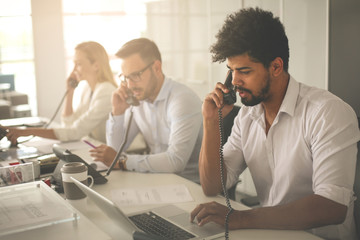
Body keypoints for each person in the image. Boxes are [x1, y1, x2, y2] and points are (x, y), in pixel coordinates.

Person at [190, 7, 360, 240]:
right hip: (266, 233)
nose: (235, 82)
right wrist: (210, 122)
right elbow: (212, 186)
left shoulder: (327, 113)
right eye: (231, 71)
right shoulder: (246, 117)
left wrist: (239, 218)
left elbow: (332, 206)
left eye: (245, 71)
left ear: (276, 67)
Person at [89, 38, 203, 183]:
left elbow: (175, 161)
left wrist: (124, 161)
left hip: (190, 185)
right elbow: (114, 152)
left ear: (156, 68)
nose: (130, 85)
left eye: (135, 75)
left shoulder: (182, 100)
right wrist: (117, 113)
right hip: (158, 179)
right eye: (125, 77)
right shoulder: (139, 100)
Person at [3, 41, 117, 143]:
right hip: (95, 148)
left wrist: (27, 131)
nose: (74, 69)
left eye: (79, 64)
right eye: (74, 63)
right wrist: (70, 92)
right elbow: (68, 125)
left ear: (96, 65)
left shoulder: (106, 92)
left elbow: (74, 132)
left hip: (112, 155)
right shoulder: (88, 89)